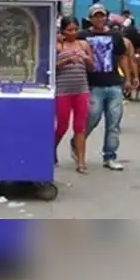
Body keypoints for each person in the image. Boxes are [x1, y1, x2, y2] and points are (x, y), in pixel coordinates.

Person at [74, 4, 138, 170]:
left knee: (114, 123)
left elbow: (123, 57)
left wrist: (128, 78)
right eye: (96, 16)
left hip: (114, 84)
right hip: (93, 85)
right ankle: (77, 142)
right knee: (92, 119)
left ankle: (110, 156)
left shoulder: (115, 36)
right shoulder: (82, 36)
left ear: (106, 17)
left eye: (102, 15)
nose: (99, 19)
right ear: (90, 18)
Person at [54, 17, 93, 173]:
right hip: (63, 91)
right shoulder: (58, 46)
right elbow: (51, 67)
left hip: (81, 90)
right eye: (69, 30)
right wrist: (68, 60)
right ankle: (51, 149)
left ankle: (81, 161)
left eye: (75, 29)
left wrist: (87, 59)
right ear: (63, 31)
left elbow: (92, 67)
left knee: (80, 127)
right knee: (62, 126)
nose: (73, 33)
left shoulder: (83, 44)